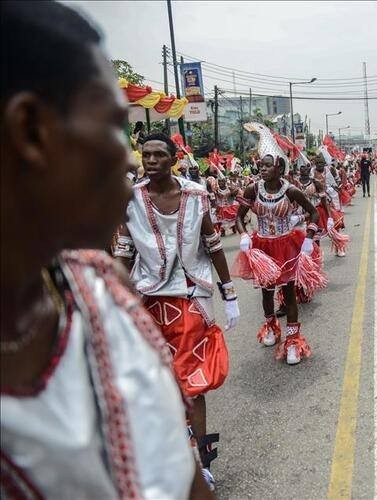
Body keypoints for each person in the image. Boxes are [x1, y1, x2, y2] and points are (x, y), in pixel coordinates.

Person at [0, 2, 212, 497]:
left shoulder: (101, 291)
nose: (133, 158)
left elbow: (184, 483)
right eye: (118, 128)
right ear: (32, 130)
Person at [115, 132, 239, 490]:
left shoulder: (197, 196)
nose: (150, 161)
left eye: (158, 155)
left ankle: (200, 463)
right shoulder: (130, 199)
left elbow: (213, 245)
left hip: (190, 298)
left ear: (174, 160)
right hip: (147, 301)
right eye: (146, 155)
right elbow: (124, 252)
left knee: (194, 385)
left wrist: (229, 293)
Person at [234, 126, 321, 366]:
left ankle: (293, 340)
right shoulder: (253, 189)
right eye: (260, 165)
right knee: (266, 291)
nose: (262, 169)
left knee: (289, 293)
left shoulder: (291, 191)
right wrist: (243, 235)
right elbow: (238, 216)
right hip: (262, 247)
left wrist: (308, 238)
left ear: (280, 168)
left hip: (286, 246)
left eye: (267, 165)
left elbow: (314, 214)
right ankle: (272, 326)